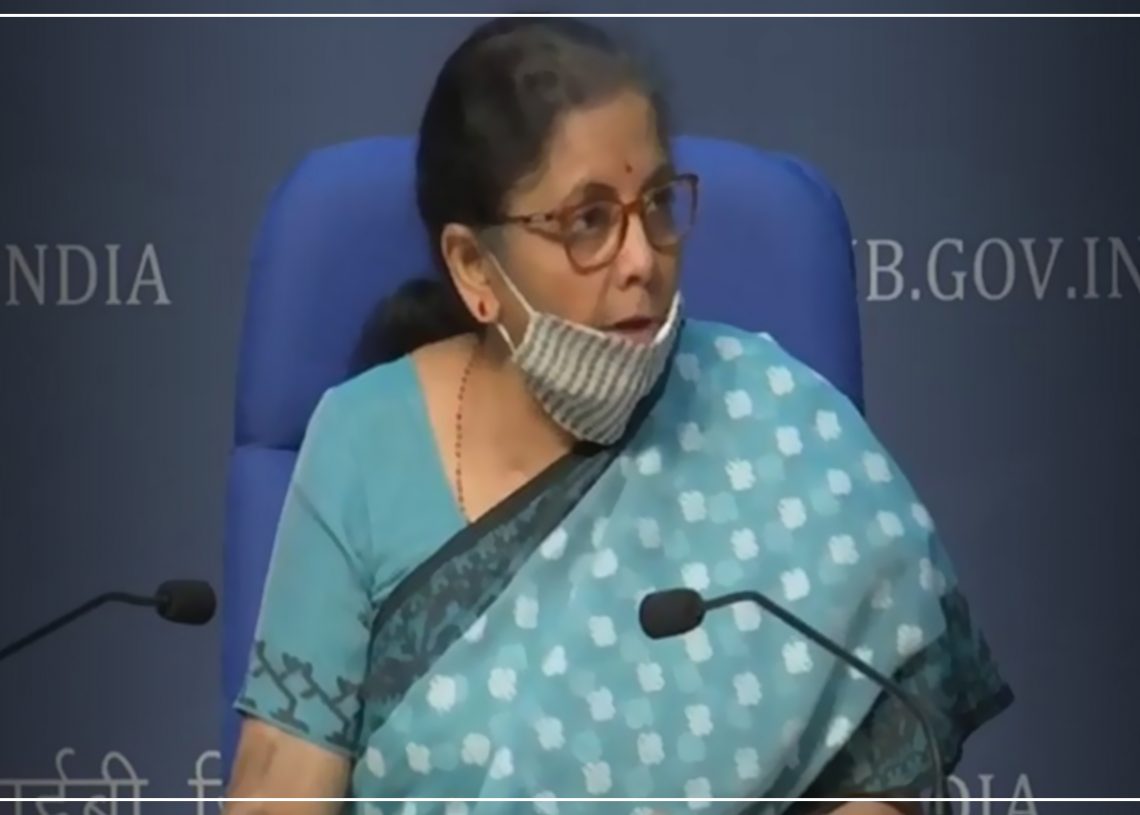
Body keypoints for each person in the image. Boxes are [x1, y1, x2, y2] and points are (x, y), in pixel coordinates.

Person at [225, 17, 1012, 815]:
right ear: (474, 267)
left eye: (659, 205)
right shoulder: (363, 443)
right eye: (589, 221)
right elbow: (279, 791)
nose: (642, 260)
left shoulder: (781, 421)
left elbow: (875, 785)